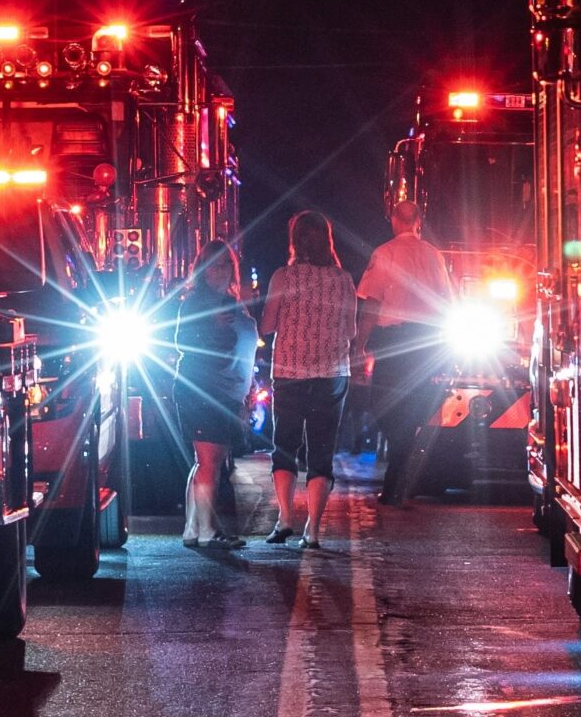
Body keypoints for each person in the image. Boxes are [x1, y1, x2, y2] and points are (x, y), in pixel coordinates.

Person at [260, 209, 358, 550]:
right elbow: (351, 330)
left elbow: (268, 326)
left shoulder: (282, 278)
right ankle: (313, 531)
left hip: (289, 372)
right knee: (321, 452)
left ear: (294, 241)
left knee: (284, 447)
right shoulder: (344, 280)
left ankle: (285, 518)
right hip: (332, 375)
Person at [356, 197, 454, 506]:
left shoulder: (384, 254)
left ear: (395, 221)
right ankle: (399, 478)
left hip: (394, 342)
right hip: (425, 342)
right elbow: (446, 302)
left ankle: (396, 480)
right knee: (412, 412)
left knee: (384, 407)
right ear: (418, 222)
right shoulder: (434, 256)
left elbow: (371, 303)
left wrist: (359, 343)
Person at [175, 241, 257, 550]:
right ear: (201, 269)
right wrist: (211, 326)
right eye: (214, 265)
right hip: (203, 389)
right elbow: (184, 342)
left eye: (225, 264)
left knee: (207, 461)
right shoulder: (197, 303)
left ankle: (193, 528)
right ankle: (208, 531)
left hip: (226, 391)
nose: (220, 270)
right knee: (208, 461)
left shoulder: (229, 301)